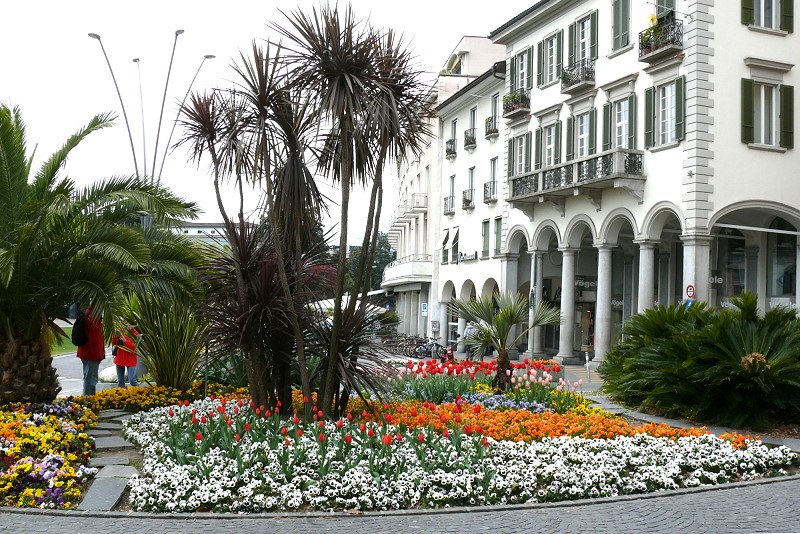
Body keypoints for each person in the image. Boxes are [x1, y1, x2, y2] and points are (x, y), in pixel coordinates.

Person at [76, 306, 105, 395]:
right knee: (91, 378)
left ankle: (87, 397)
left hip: (85, 352)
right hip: (92, 354)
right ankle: (88, 398)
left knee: (87, 376)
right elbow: (96, 341)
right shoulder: (93, 321)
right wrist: (100, 355)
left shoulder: (87, 316)